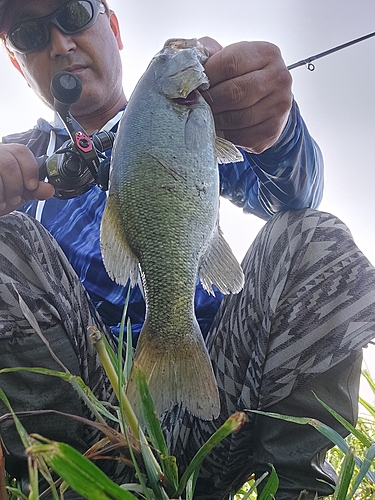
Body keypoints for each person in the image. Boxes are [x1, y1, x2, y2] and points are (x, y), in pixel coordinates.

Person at [0, 1, 374, 499]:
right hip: (93, 429)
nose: (60, 43)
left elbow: (294, 197)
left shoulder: (198, 122)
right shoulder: (16, 164)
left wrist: (274, 131)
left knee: (313, 237)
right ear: (15, 61)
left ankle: (292, 488)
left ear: (112, 26)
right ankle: (62, 485)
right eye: (28, 33)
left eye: (73, 12)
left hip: (223, 398)